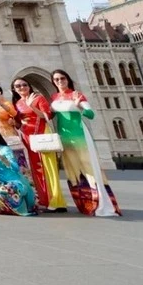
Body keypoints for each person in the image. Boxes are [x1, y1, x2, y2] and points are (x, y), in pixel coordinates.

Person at [50, 69, 120, 217]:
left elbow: (91, 114)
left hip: (80, 134)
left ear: (67, 79)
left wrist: (80, 105)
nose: (60, 81)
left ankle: (100, 202)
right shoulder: (55, 97)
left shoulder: (77, 95)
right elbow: (49, 115)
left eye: (62, 78)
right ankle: (84, 204)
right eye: (56, 79)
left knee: (88, 167)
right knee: (72, 170)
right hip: (65, 137)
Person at [12, 76, 67, 213]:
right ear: (14, 89)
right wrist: (14, 124)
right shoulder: (17, 103)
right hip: (28, 138)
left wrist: (32, 107)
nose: (21, 88)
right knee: (37, 170)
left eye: (24, 85)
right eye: (18, 86)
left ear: (29, 86)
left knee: (48, 169)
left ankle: (57, 201)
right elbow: (19, 123)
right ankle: (44, 200)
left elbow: (47, 116)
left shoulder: (38, 98)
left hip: (42, 134)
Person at [0, 123, 36, 216]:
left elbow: (15, 168)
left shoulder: (5, 149)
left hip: (13, 180)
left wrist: (1, 158)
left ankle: (17, 206)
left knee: (6, 189)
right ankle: (2, 203)